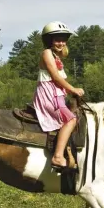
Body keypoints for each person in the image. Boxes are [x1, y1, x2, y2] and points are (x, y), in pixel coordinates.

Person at [33, 21, 85, 172]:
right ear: (49, 41)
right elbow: (55, 77)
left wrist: (71, 91)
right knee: (71, 120)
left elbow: (61, 80)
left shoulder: (57, 56)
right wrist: (73, 89)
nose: (61, 43)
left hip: (57, 95)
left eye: (63, 39)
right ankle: (57, 156)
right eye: (57, 39)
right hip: (48, 95)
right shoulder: (47, 53)